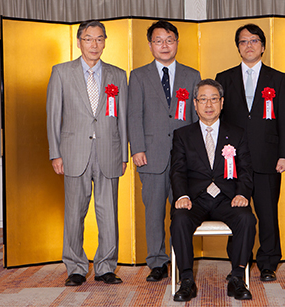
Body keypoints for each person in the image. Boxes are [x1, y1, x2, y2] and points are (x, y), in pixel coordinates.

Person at [47, 20, 128, 286]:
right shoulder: (61, 72)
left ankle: (106, 266)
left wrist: (124, 153)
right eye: (89, 39)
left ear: (105, 41)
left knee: (109, 214)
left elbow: (122, 118)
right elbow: (53, 116)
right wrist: (55, 153)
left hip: (109, 151)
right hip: (73, 153)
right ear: (79, 41)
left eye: (100, 39)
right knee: (74, 213)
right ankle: (76, 267)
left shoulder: (117, 74)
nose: (94, 44)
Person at [215, 23, 285, 281]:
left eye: (254, 41)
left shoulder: (278, 79)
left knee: (268, 212)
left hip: (268, 157)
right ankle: (240, 261)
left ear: (263, 46)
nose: (249, 45)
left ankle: (268, 262)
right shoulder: (223, 78)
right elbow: (217, 120)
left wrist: (284, 155)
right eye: (244, 41)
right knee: (236, 212)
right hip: (232, 160)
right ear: (238, 47)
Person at [170, 79, 256, 302]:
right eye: (203, 100)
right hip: (195, 200)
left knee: (247, 219)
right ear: (195, 104)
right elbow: (177, 171)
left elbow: (246, 170)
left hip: (227, 199)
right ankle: (187, 280)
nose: (209, 105)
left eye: (214, 99)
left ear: (222, 102)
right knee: (179, 219)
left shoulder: (237, 133)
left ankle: (237, 277)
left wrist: (242, 194)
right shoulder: (183, 135)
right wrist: (182, 196)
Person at [128, 20, 201, 282]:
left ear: (177, 42)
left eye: (169, 40)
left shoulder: (192, 75)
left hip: (185, 159)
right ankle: (157, 262)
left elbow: (197, 119)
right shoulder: (138, 75)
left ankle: (182, 261)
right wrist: (137, 149)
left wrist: (198, 155)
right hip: (151, 155)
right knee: (154, 212)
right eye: (158, 40)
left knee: (182, 211)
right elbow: (133, 115)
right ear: (150, 45)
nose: (164, 45)